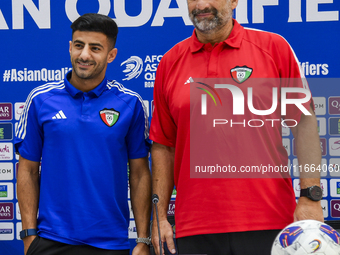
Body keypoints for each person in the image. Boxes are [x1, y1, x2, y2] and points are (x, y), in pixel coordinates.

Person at [150, 0, 324, 254]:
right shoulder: (169, 62)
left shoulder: (273, 48)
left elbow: (304, 123)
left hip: (270, 220)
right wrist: (160, 216)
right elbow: (164, 146)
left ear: (234, 2)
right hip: (194, 228)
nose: (201, 4)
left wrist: (310, 196)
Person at [15, 13, 151, 255]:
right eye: (79, 45)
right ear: (70, 47)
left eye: (95, 48)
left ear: (112, 55)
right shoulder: (40, 100)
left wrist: (143, 239)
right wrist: (29, 235)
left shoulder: (130, 104)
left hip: (111, 242)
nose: (84, 55)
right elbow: (27, 169)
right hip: (50, 240)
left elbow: (139, 174)